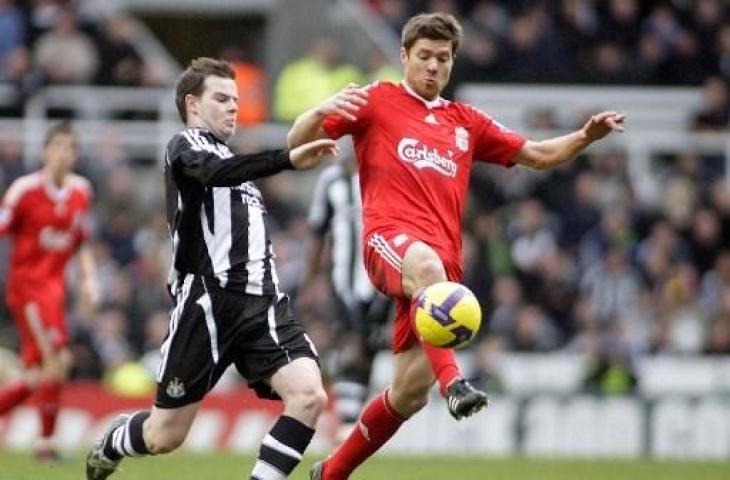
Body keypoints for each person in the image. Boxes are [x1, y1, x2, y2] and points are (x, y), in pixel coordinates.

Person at [287, 12, 625, 479]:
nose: (432, 67)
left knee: (406, 394)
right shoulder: (378, 101)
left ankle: (329, 474)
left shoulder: (465, 122)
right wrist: (320, 110)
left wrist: (587, 137)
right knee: (425, 266)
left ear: (452, 63)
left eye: (442, 59)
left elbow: (540, 155)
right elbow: (295, 140)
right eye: (423, 57)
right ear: (404, 56)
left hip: (439, 272)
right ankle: (456, 384)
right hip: (390, 243)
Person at [85, 57, 338, 480]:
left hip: (262, 303)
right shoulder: (185, 147)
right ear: (193, 104)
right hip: (208, 304)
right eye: (221, 98)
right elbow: (216, 172)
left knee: (310, 396)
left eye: (236, 100)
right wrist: (287, 159)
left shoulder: (239, 169)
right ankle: (113, 441)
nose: (234, 107)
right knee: (165, 435)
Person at [0, 121, 99, 460]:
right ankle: (46, 445)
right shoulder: (24, 190)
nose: (63, 153)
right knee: (59, 362)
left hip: (55, 293)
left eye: (69, 147)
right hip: (28, 290)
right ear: (45, 152)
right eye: (56, 146)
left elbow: (81, 241)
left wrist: (89, 279)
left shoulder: (81, 191)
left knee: (36, 375)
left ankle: (45, 444)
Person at [298, 144, 391, 440]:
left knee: (370, 346)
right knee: (351, 343)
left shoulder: (388, 177)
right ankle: (348, 420)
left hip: (382, 281)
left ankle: (355, 417)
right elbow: (317, 232)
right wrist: (310, 282)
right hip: (344, 280)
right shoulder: (331, 180)